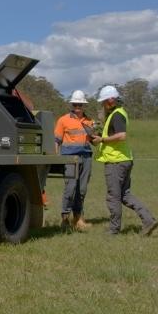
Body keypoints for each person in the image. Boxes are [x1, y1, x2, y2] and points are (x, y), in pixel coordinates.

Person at [91, 85, 158, 236]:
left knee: (113, 196)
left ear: (111, 100)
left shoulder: (117, 115)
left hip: (116, 162)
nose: (103, 105)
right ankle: (148, 220)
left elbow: (122, 135)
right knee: (125, 195)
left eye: (104, 102)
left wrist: (102, 139)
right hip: (124, 159)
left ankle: (114, 230)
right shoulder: (117, 114)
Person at [55, 90, 95, 231]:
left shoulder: (89, 121)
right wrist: (57, 158)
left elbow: (94, 142)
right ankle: (65, 218)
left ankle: (78, 219)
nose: (77, 106)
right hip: (69, 158)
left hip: (86, 157)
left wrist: (97, 134)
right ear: (72, 104)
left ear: (83, 105)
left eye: (80, 104)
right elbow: (57, 141)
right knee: (70, 188)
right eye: (75, 104)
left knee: (82, 190)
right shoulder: (63, 120)